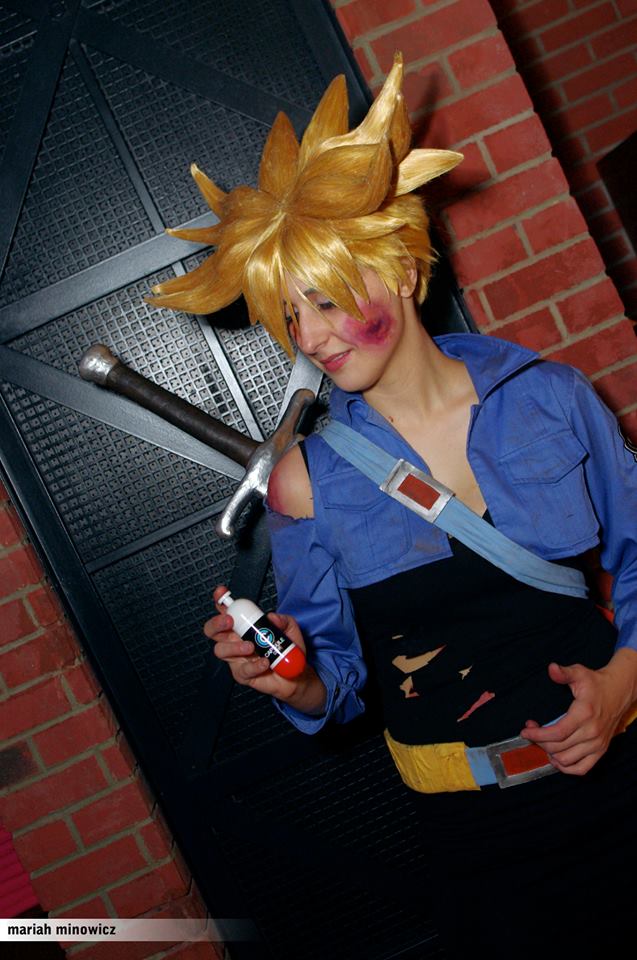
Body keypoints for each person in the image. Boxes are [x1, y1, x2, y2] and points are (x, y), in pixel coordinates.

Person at [149, 55, 637, 958]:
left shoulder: (549, 398)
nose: (311, 336)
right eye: (291, 316)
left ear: (405, 270)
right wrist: (290, 678)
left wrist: (625, 680)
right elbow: (333, 679)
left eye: (327, 300)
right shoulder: (305, 481)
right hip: (481, 845)